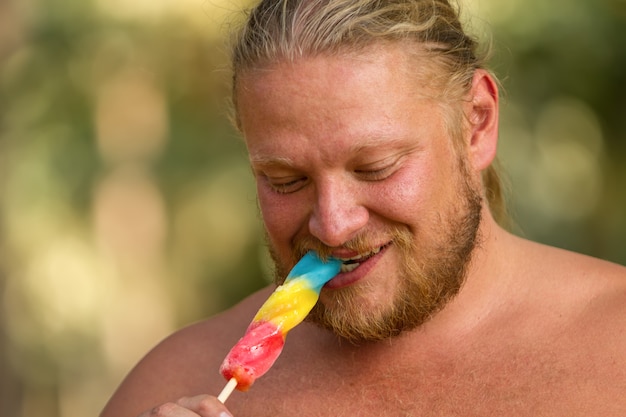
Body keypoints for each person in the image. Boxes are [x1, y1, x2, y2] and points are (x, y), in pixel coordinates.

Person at [100, 0, 626, 416]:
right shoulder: (173, 381)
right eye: (286, 181)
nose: (332, 224)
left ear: (477, 122)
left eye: (376, 168)